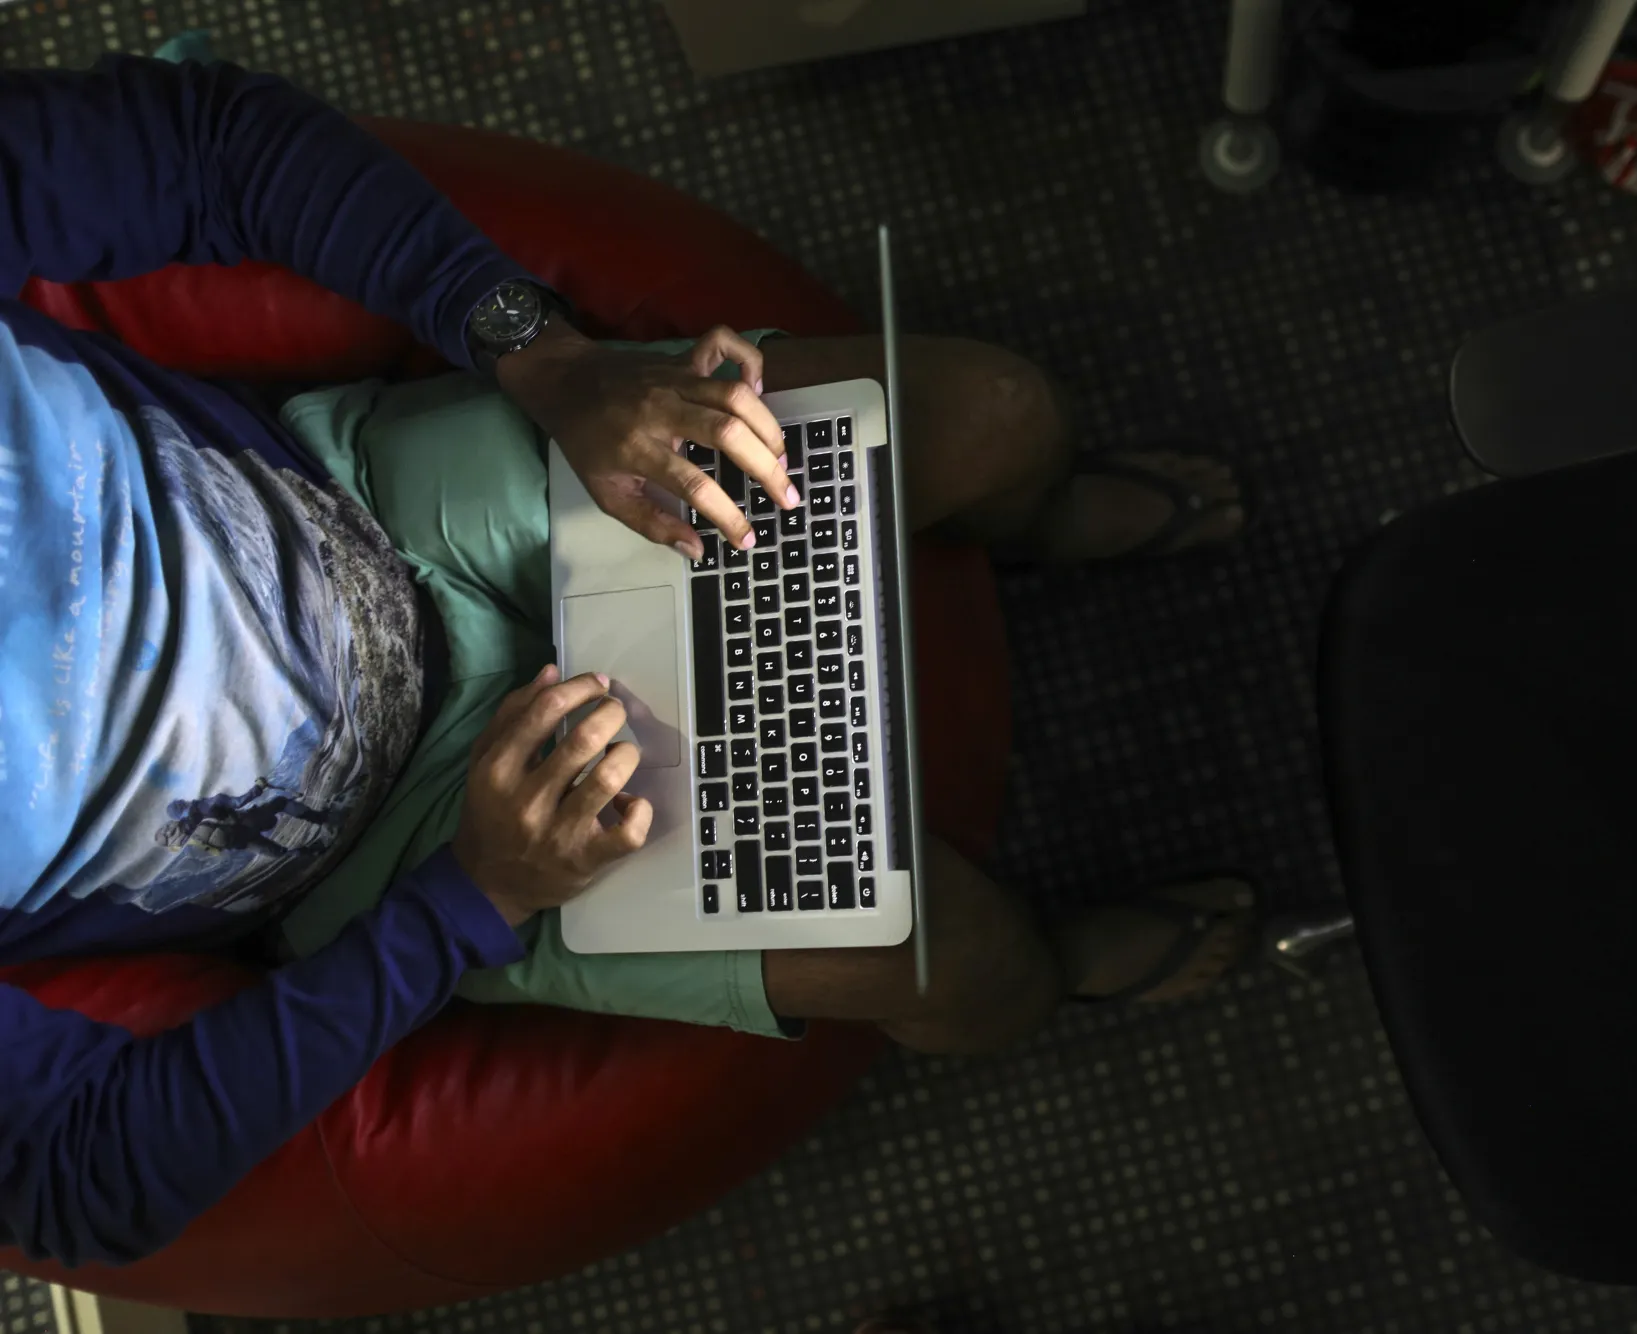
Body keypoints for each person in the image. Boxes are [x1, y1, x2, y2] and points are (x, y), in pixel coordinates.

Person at [0, 56, 1255, 1267]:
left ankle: (1021, 527)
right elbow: (82, 1179)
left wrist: (553, 362)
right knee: (962, 961)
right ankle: (1049, 977)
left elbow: (211, 141)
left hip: (370, 500)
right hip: (388, 843)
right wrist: (467, 905)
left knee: (999, 412)